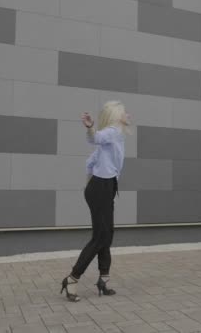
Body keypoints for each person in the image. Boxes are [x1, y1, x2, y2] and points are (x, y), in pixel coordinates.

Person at [61, 101, 130, 301]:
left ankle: (103, 279)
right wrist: (91, 128)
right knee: (100, 237)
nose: (129, 115)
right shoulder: (113, 131)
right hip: (101, 188)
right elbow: (96, 138)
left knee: (107, 234)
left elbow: (89, 162)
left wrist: (90, 186)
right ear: (116, 116)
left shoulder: (115, 138)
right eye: (125, 112)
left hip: (103, 188)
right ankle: (72, 279)